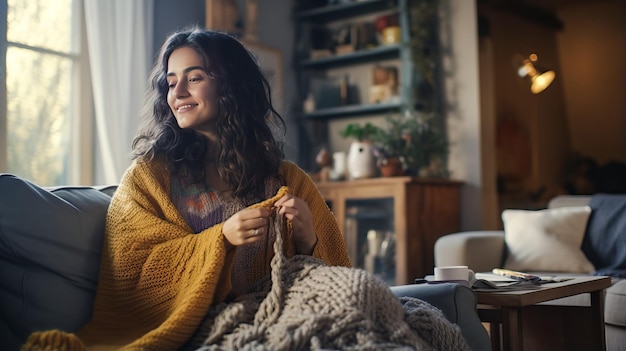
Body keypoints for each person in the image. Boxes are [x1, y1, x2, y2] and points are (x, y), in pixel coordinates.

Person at [23, 26, 351, 350]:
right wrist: (221, 238)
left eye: (194, 79)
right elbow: (132, 272)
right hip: (198, 328)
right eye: (170, 82)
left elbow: (337, 281)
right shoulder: (147, 178)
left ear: (233, 86)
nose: (177, 93)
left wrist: (308, 239)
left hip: (280, 315)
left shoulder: (288, 180)